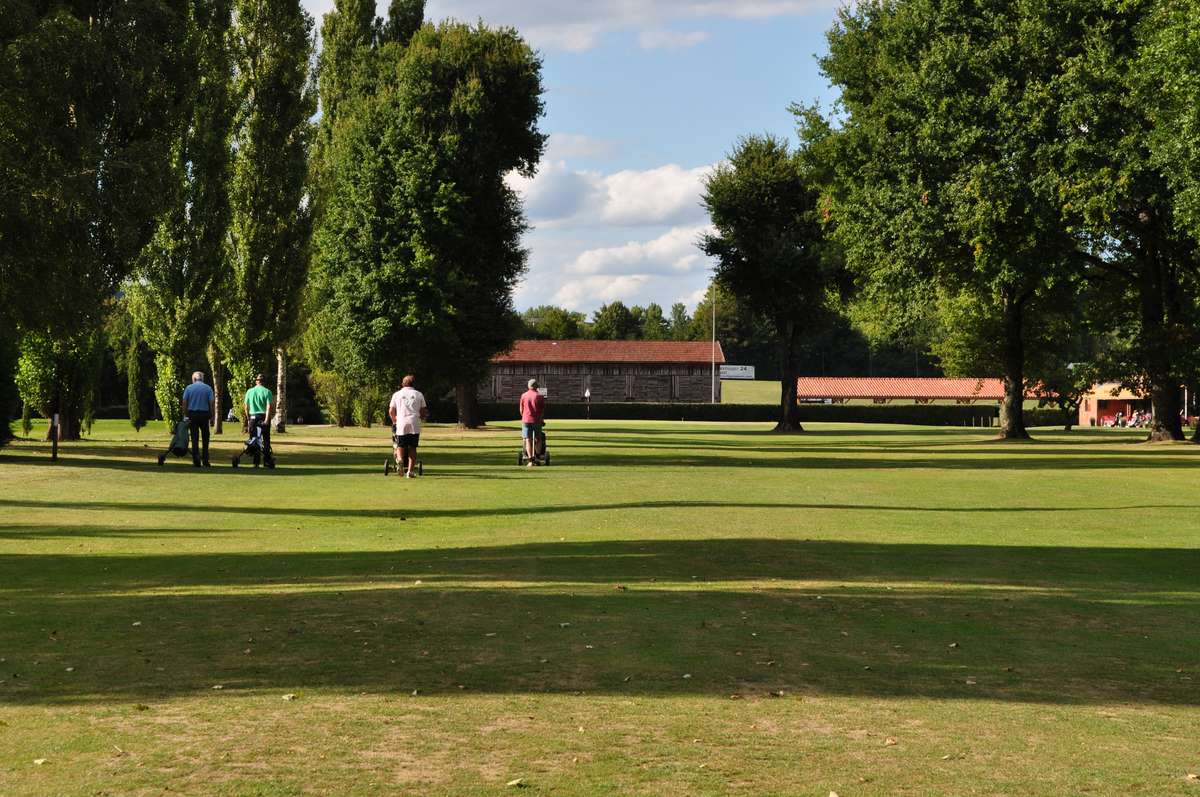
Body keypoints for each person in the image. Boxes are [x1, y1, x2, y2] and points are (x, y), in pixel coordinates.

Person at [388, 374, 428, 478]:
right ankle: (409, 471)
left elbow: (391, 411)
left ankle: (400, 460)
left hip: (401, 422)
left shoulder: (397, 394)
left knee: (400, 445)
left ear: (403, 384)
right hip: (414, 422)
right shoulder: (419, 394)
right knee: (412, 447)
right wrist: (422, 418)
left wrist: (395, 420)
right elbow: (423, 411)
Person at [180, 371, 214, 468]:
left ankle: (196, 459)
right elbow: (211, 403)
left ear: (194, 379)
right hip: (204, 415)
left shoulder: (189, 388)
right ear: (202, 379)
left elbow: (185, 402)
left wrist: (185, 415)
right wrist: (212, 417)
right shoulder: (208, 388)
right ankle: (206, 460)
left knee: (194, 438)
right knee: (205, 438)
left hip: (192, 414)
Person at [243, 373, 274, 460]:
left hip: (253, 416)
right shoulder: (267, 392)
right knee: (266, 438)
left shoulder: (249, 391)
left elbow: (246, 406)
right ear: (264, 382)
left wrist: (248, 419)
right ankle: (267, 459)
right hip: (263, 416)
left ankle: (256, 460)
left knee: (253, 438)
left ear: (257, 381)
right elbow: (269, 407)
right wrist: (267, 419)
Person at [520, 378, 546, 467]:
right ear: (536, 387)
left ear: (529, 386)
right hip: (536, 420)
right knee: (538, 438)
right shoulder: (539, 396)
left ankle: (530, 460)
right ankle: (537, 457)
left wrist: (523, 416)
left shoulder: (523, 395)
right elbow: (542, 410)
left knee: (528, 439)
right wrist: (541, 419)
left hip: (526, 420)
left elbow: (521, 409)